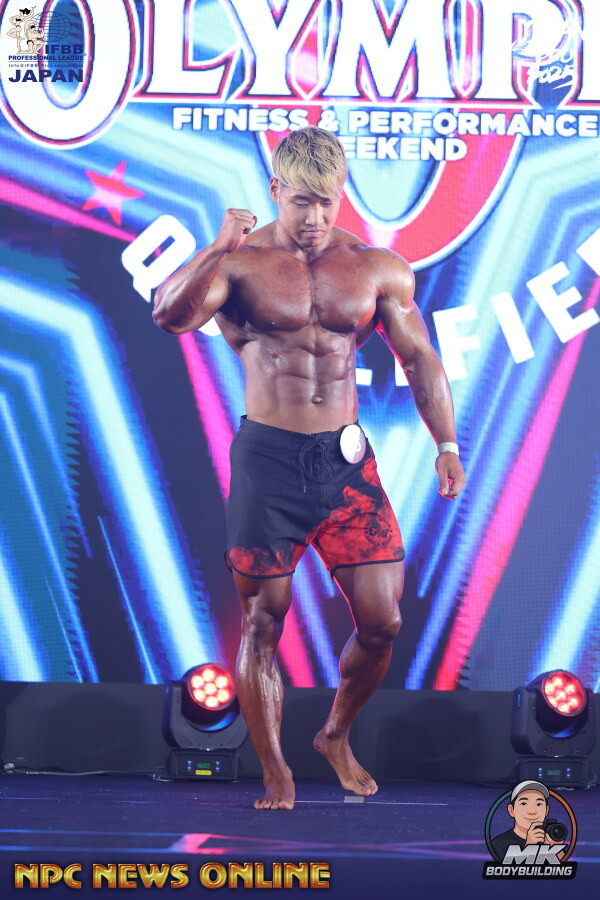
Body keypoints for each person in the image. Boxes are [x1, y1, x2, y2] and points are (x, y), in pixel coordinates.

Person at [153, 126, 466, 810]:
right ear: (275, 191)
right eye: (301, 202)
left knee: (383, 621)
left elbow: (418, 358)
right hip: (269, 462)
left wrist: (446, 442)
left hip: (345, 464)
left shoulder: (376, 267)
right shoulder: (239, 266)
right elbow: (169, 317)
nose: (315, 217)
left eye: (327, 201)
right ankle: (275, 771)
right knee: (263, 621)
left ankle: (334, 734)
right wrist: (217, 246)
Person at [491, 781, 567, 862]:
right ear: (511, 810)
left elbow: (567, 867)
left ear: (546, 811)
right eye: (524, 803)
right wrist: (529, 847)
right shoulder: (499, 843)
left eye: (539, 804)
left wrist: (557, 849)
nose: (532, 811)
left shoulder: (550, 838)